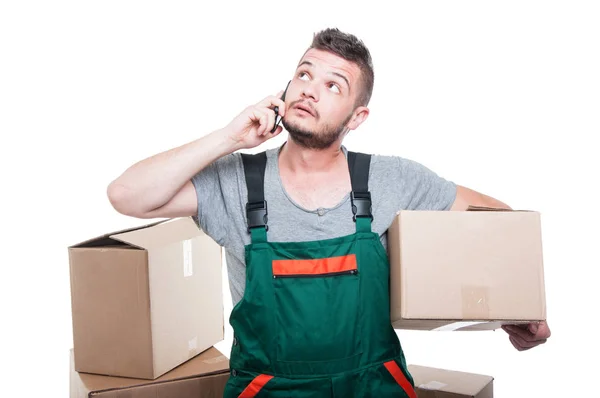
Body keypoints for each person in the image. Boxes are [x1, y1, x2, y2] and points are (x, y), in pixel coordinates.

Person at [107, 28, 551, 397]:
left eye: (332, 85)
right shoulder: (237, 180)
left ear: (357, 117)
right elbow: (127, 195)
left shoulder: (391, 180)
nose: (309, 90)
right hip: (267, 389)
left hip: (374, 387)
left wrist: (512, 309)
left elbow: (496, 217)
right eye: (304, 74)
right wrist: (229, 137)